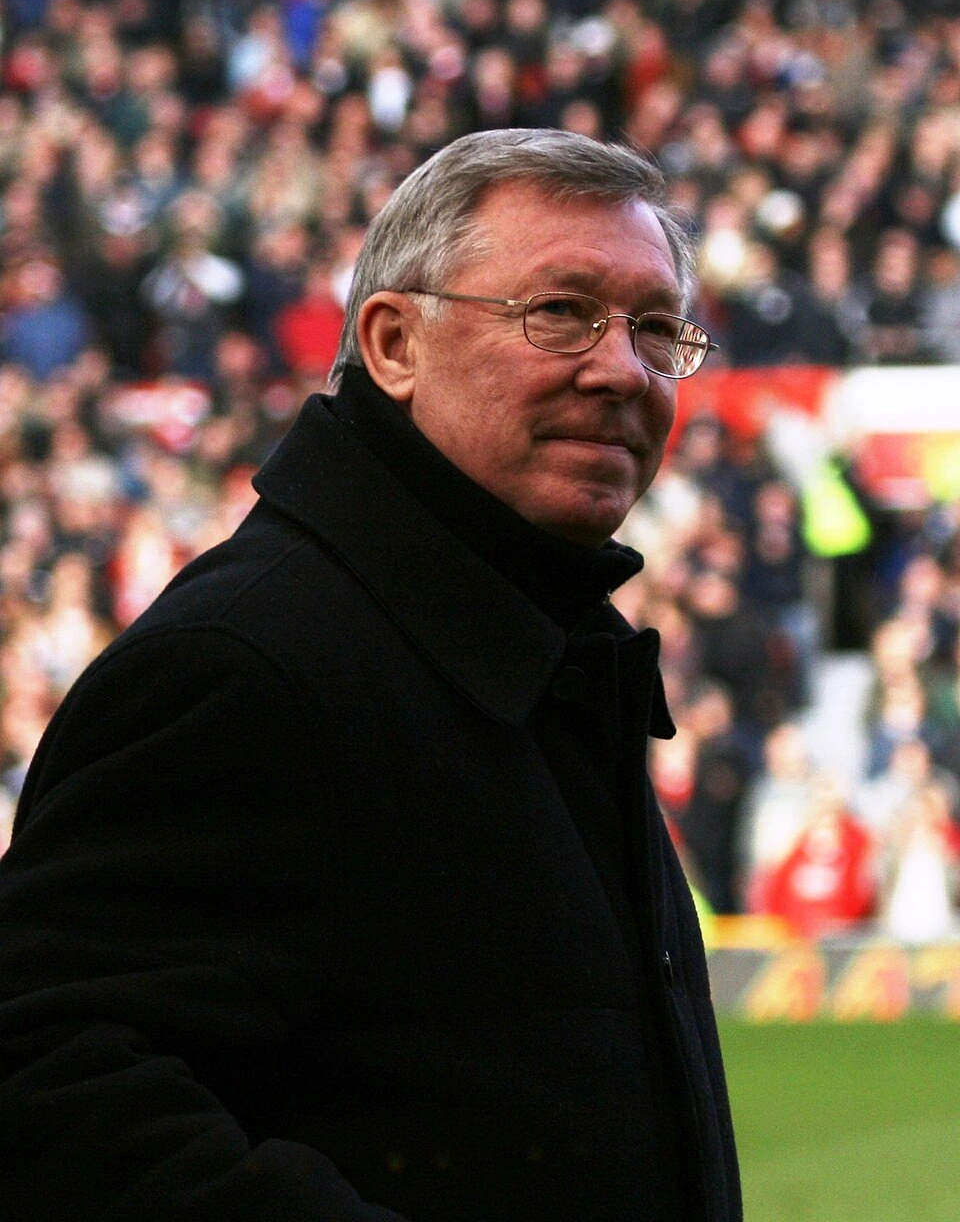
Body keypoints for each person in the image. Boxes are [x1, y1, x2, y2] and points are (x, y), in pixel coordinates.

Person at [0, 129, 739, 1222]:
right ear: (393, 342)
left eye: (657, 327)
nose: (622, 367)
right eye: (562, 313)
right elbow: (45, 1092)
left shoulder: (546, 644)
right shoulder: (246, 664)